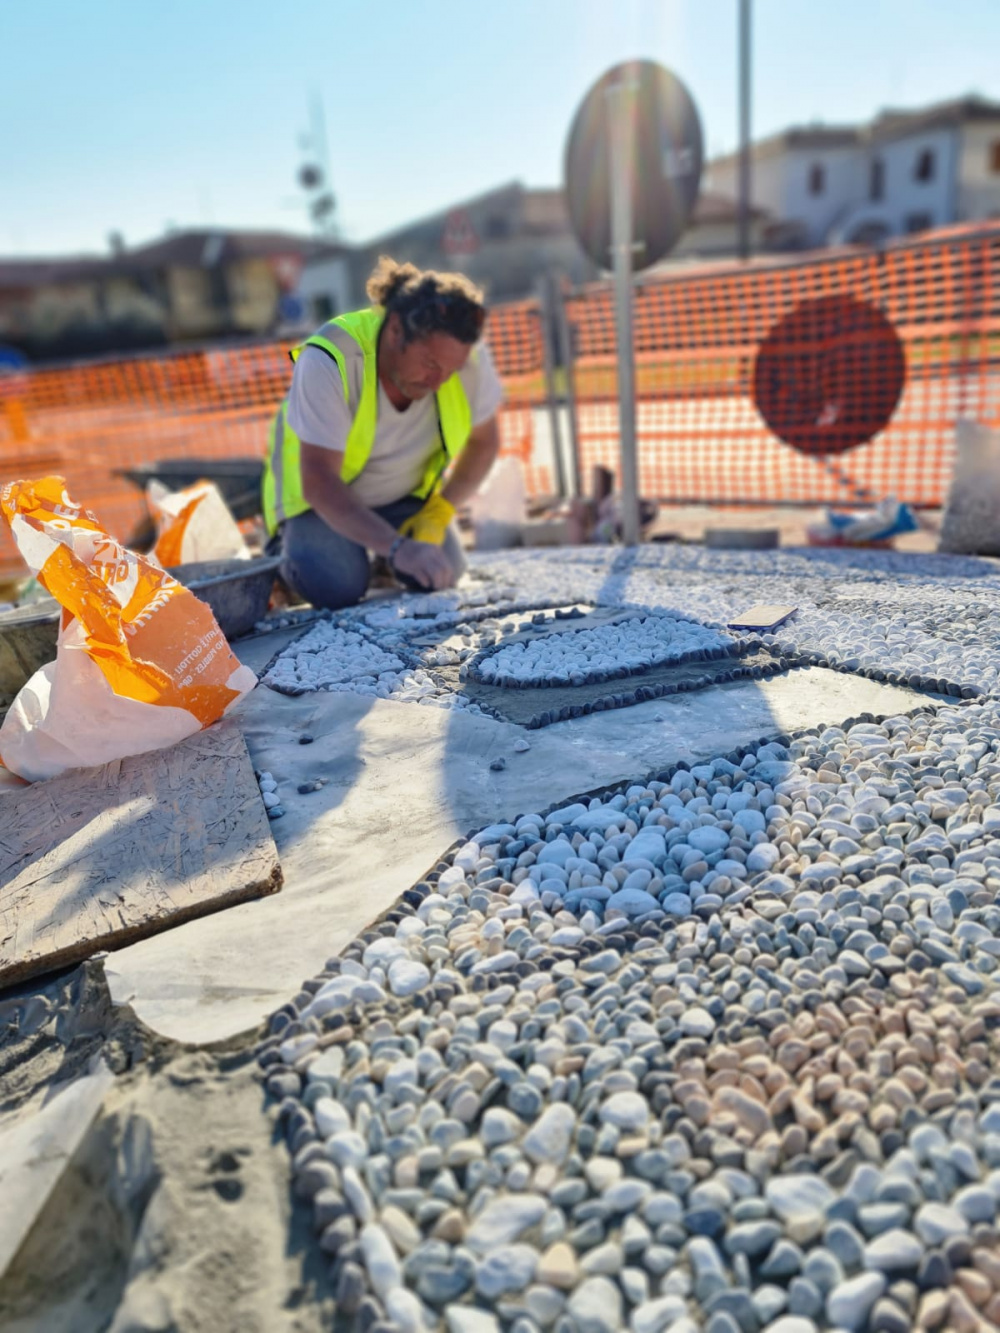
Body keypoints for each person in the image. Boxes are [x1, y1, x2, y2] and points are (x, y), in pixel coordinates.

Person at [262, 256, 502, 609]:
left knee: (441, 572)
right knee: (335, 585)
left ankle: (377, 556)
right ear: (395, 332)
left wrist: (440, 512)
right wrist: (397, 547)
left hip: (400, 498)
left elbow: (485, 443)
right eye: (431, 364)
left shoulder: (466, 357)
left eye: (451, 369)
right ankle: (283, 558)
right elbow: (318, 479)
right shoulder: (331, 357)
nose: (439, 381)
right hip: (321, 502)